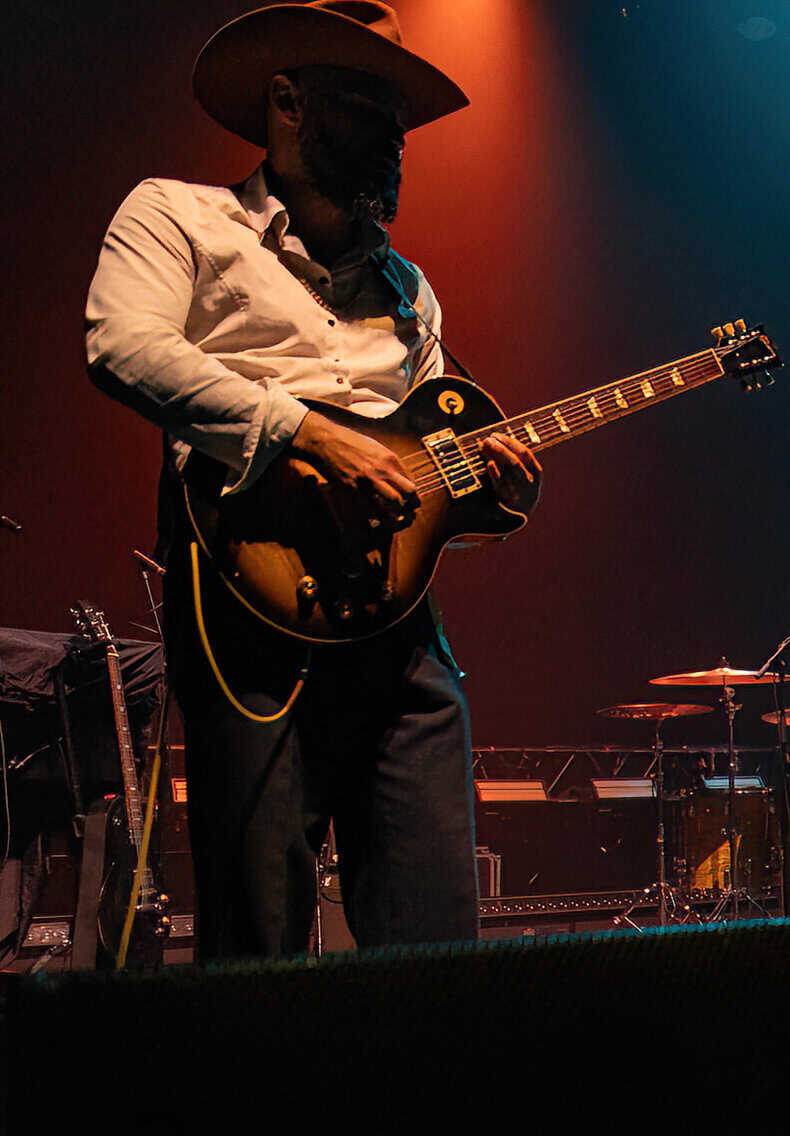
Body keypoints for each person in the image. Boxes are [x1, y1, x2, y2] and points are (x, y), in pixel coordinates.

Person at [83, 2, 540, 958]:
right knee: (258, 945)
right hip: (248, 604)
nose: (397, 137)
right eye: (371, 107)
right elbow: (121, 345)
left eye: (401, 118)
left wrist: (486, 490)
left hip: (395, 631)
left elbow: (418, 473)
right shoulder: (177, 214)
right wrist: (306, 433)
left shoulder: (411, 289)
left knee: (438, 951)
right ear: (288, 102)